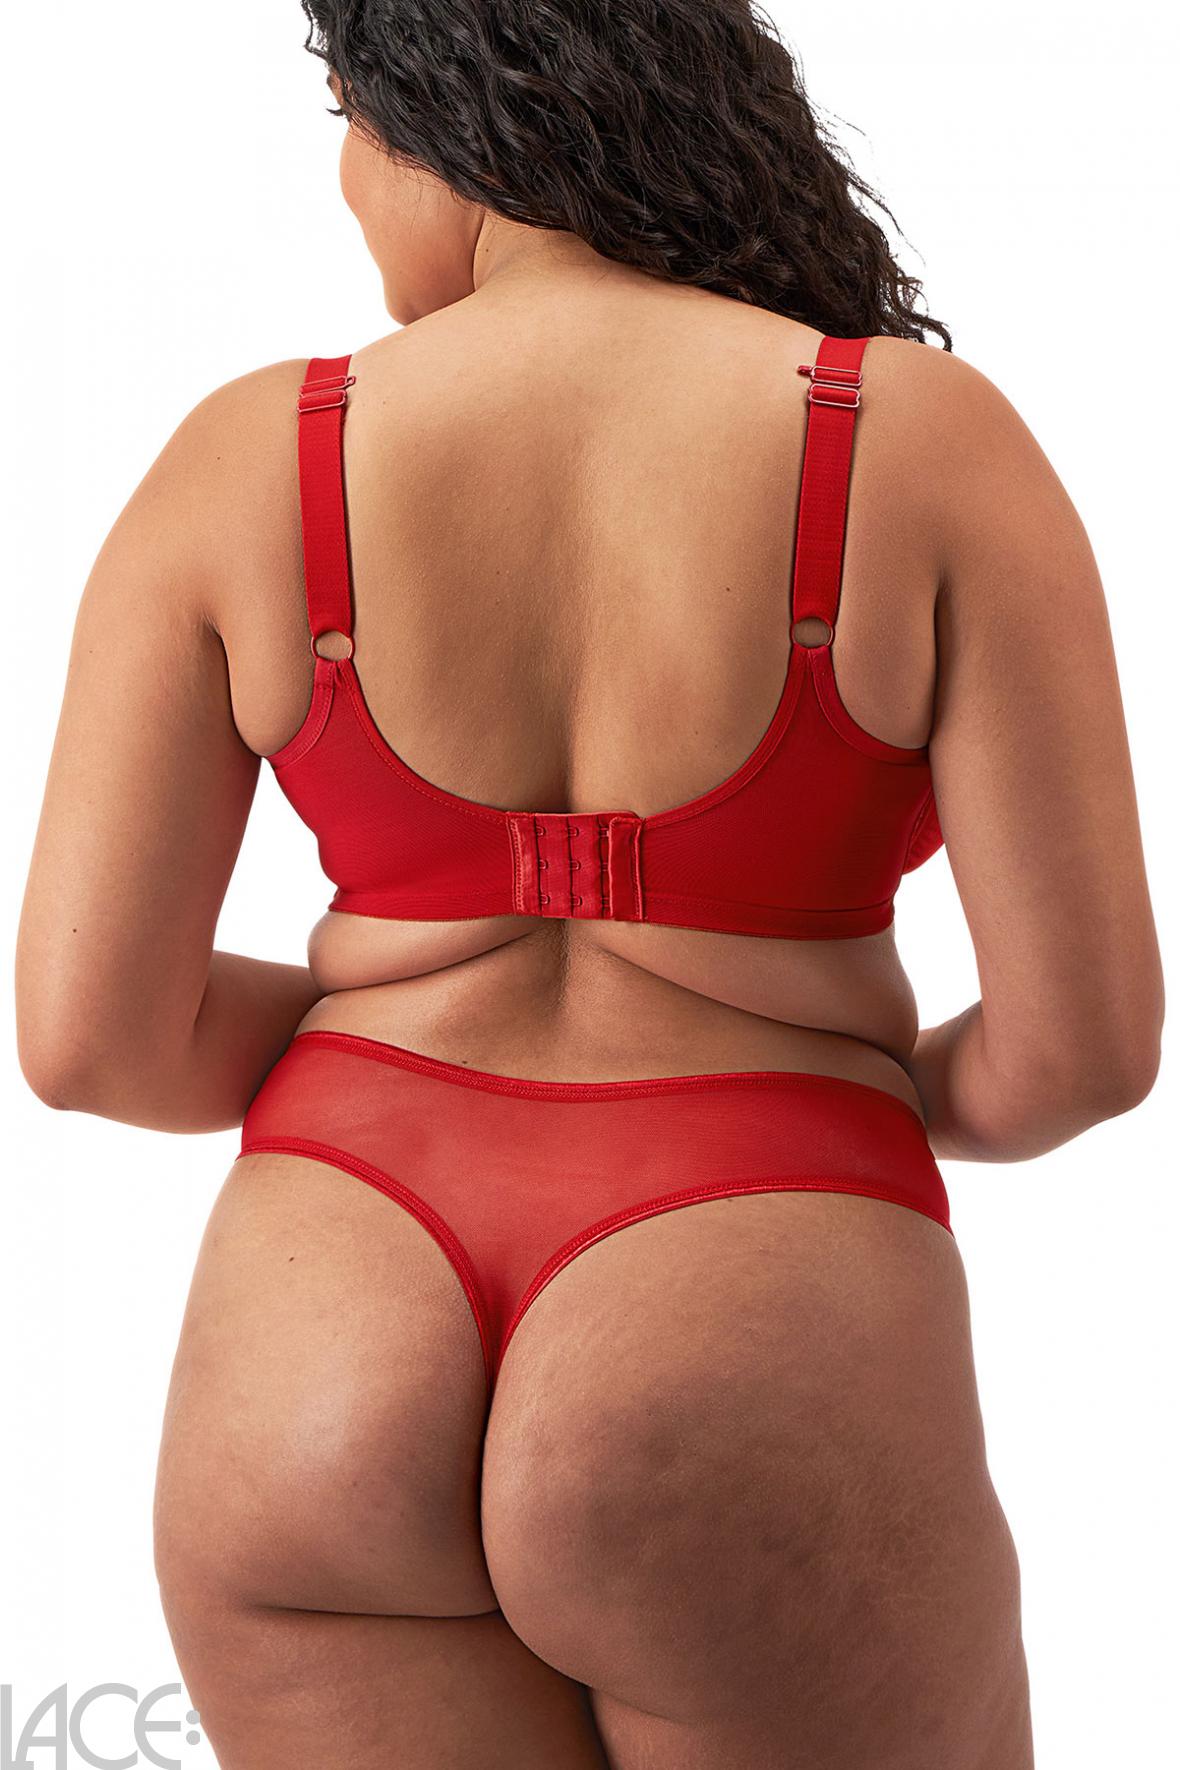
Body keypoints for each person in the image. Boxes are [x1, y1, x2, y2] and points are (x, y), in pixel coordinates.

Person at [15, 3, 1163, 1766]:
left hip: (317, 1336)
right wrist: (863, 1078)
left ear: (445, 125)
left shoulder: (246, 457)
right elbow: (1084, 1049)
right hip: (753, 1285)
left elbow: (93, 1040)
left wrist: (388, 1009)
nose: (347, 188)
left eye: (351, 130)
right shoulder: (913, 441)